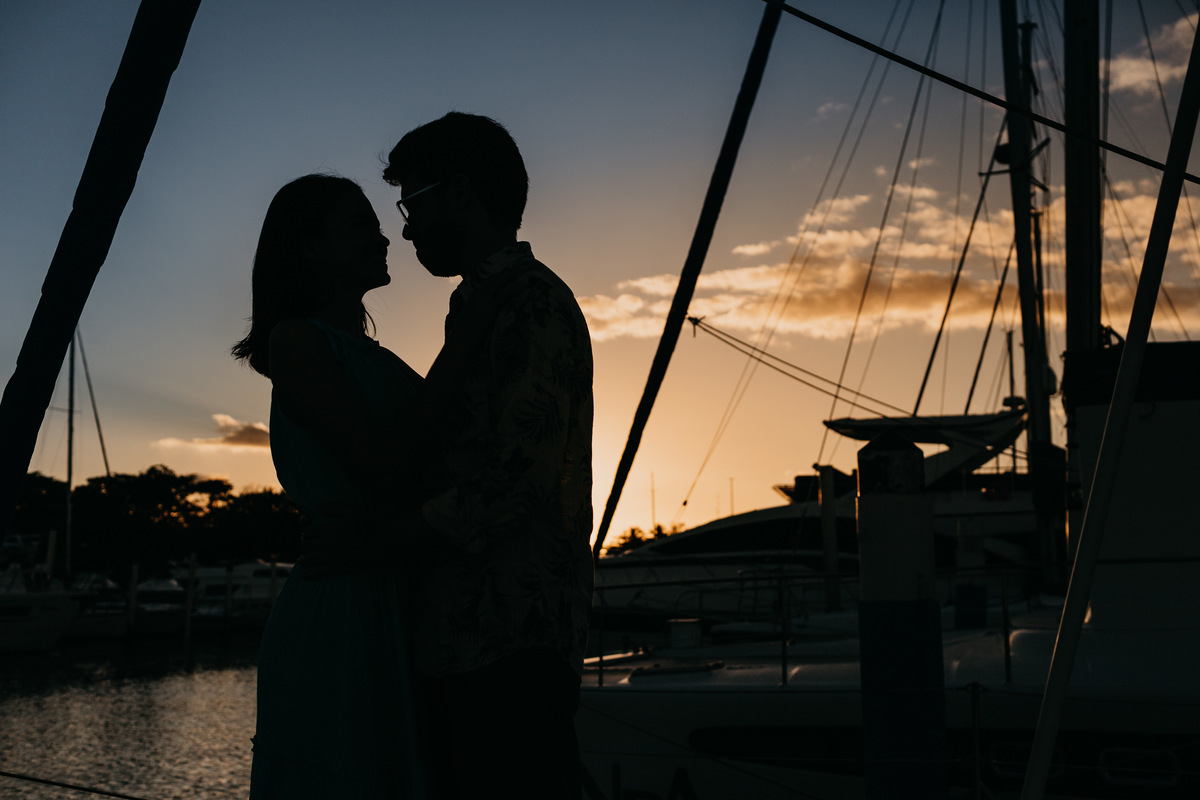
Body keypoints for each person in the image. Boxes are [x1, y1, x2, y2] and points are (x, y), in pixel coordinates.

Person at [383, 112, 594, 800]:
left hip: (507, 646)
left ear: (462, 192)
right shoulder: (482, 304)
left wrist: (384, 538)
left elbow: (517, 482)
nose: (406, 226)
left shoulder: (529, 304)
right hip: (474, 641)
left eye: (413, 202)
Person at [232, 174, 429, 799]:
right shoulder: (298, 342)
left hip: (390, 587)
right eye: (359, 225)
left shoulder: (373, 357)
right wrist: (468, 345)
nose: (384, 238)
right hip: (342, 607)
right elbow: (387, 467)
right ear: (310, 245)